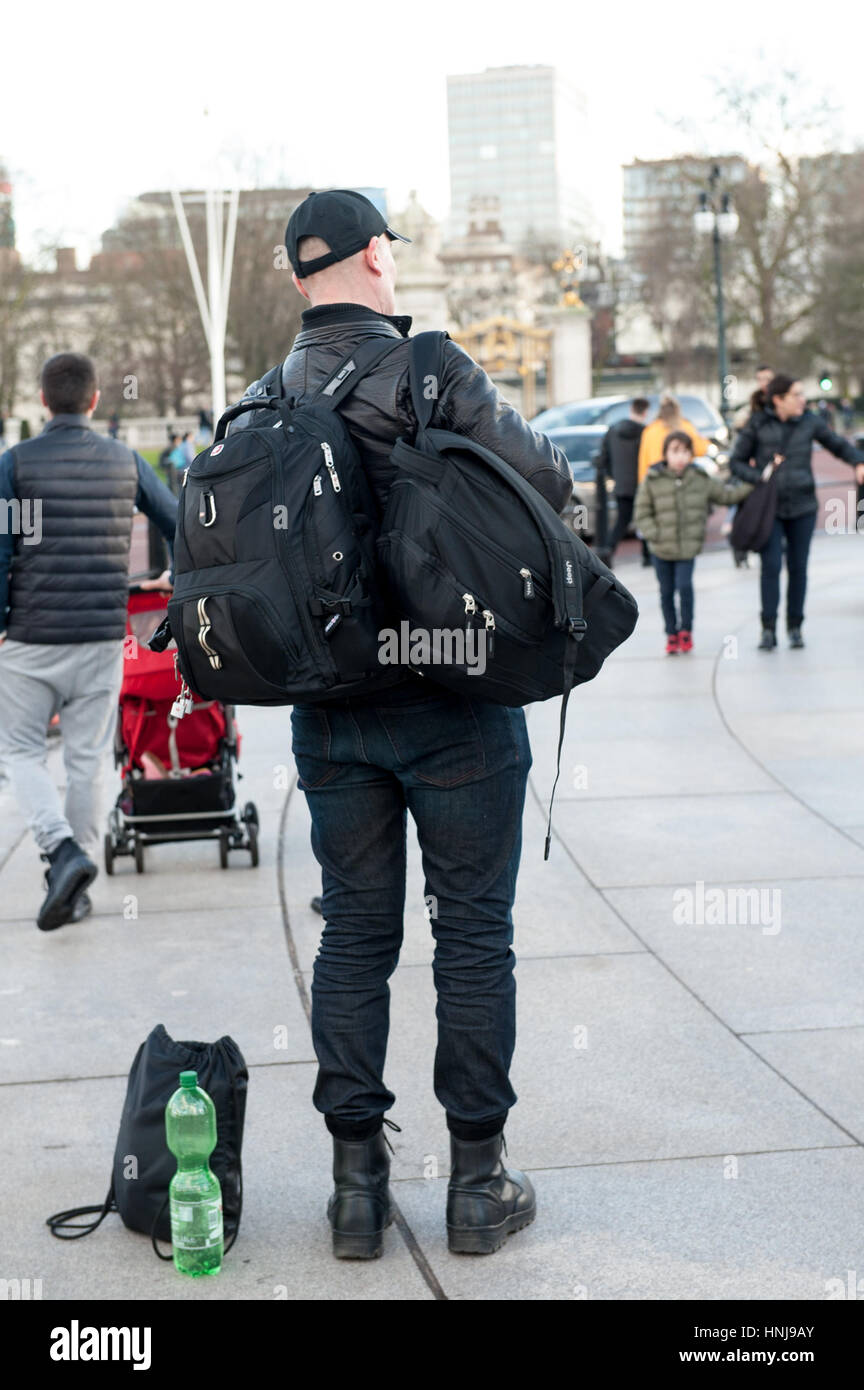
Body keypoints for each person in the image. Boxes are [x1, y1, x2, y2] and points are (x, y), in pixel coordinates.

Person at [231, 188, 572, 1259]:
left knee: (356, 935)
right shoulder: (433, 370)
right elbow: (547, 480)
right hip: (457, 698)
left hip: (332, 715)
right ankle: (477, 1185)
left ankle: (355, 1189)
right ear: (379, 257)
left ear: (297, 278)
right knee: (473, 934)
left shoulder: (261, 395)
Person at [0, 353, 177, 930]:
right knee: (86, 761)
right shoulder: (124, 461)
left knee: (20, 752)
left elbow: (2, 552)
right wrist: (172, 577)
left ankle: (61, 852)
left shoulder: (15, 464)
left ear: (44, 402)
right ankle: (73, 891)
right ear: (96, 400)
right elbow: (178, 520)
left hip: (31, 637)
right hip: (103, 637)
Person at [729, 373, 864, 650]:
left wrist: (859, 462)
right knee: (771, 567)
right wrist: (760, 477)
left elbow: (838, 445)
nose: (803, 399)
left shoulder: (810, 422)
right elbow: (736, 461)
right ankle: (768, 628)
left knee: (798, 568)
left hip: (803, 505)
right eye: (797, 395)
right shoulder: (758, 424)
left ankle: (795, 627)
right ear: (779, 400)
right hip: (771, 508)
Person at [635, 430, 753, 655]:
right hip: (661, 548)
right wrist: (655, 534)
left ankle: (686, 630)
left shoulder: (700, 479)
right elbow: (642, 512)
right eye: (675, 451)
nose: (680, 457)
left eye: (685, 452)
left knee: (685, 588)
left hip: (687, 548)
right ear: (666, 454)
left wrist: (752, 483)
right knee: (666, 592)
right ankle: (671, 633)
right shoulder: (652, 480)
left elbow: (726, 496)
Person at [596, 397, 650, 565]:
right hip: (642, 484)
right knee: (645, 519)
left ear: (631, 409)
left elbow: (603, 458)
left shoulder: (612, 431)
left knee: (622, 521)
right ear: (645, 412)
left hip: (622, 484)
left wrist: (614, 475)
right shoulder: (646, 432)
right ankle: (647, 556)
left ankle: (609, 550)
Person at [637, 393, 710, 487]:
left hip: (657, 479)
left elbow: (643, 460)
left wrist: (642, 483)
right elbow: (700, 450)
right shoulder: (686, 426)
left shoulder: (650, 430)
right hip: (682, 477)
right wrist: (705, 441)